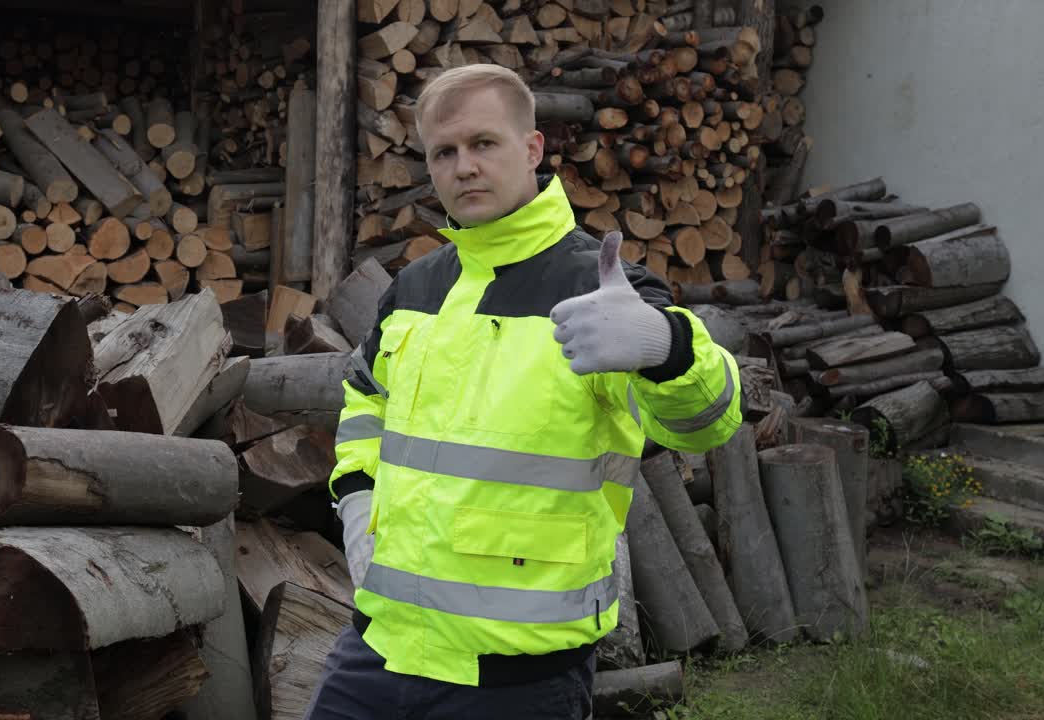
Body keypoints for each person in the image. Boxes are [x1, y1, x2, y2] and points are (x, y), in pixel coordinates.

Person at [305, 63, 741, 720]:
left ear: (532, 150)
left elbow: (707, 422)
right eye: (444, 152)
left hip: (518, 676)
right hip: (382, 648)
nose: (464, 167)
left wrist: (665, 346)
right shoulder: (417, 288)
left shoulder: (600, 289)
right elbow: (367, 403)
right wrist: (357, 498)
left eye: (484, 144)